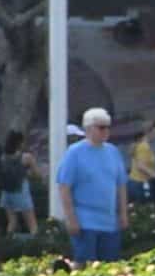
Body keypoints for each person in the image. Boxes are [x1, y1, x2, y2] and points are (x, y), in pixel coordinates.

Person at [55, 108, 130, 265]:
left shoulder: (113, 152)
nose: (106, 131)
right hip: (85, 222)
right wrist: (71, 218)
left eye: (108, 127)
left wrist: (123, 213)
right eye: (101, 127)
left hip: (110, 223)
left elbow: (120, 185)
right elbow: (64, 187)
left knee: (109, 268)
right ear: (88, 129)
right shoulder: (74, 152)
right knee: (85, 267)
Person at [0, 128, 37, 239]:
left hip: (6, 192)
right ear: (20, 142)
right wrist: (28, 173)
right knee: (32, 224)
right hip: (21, 190)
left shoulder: (3, 157)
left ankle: (8, 244)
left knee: (12, 222)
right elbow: (36, 174)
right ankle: (38, 247)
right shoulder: (26, 157)